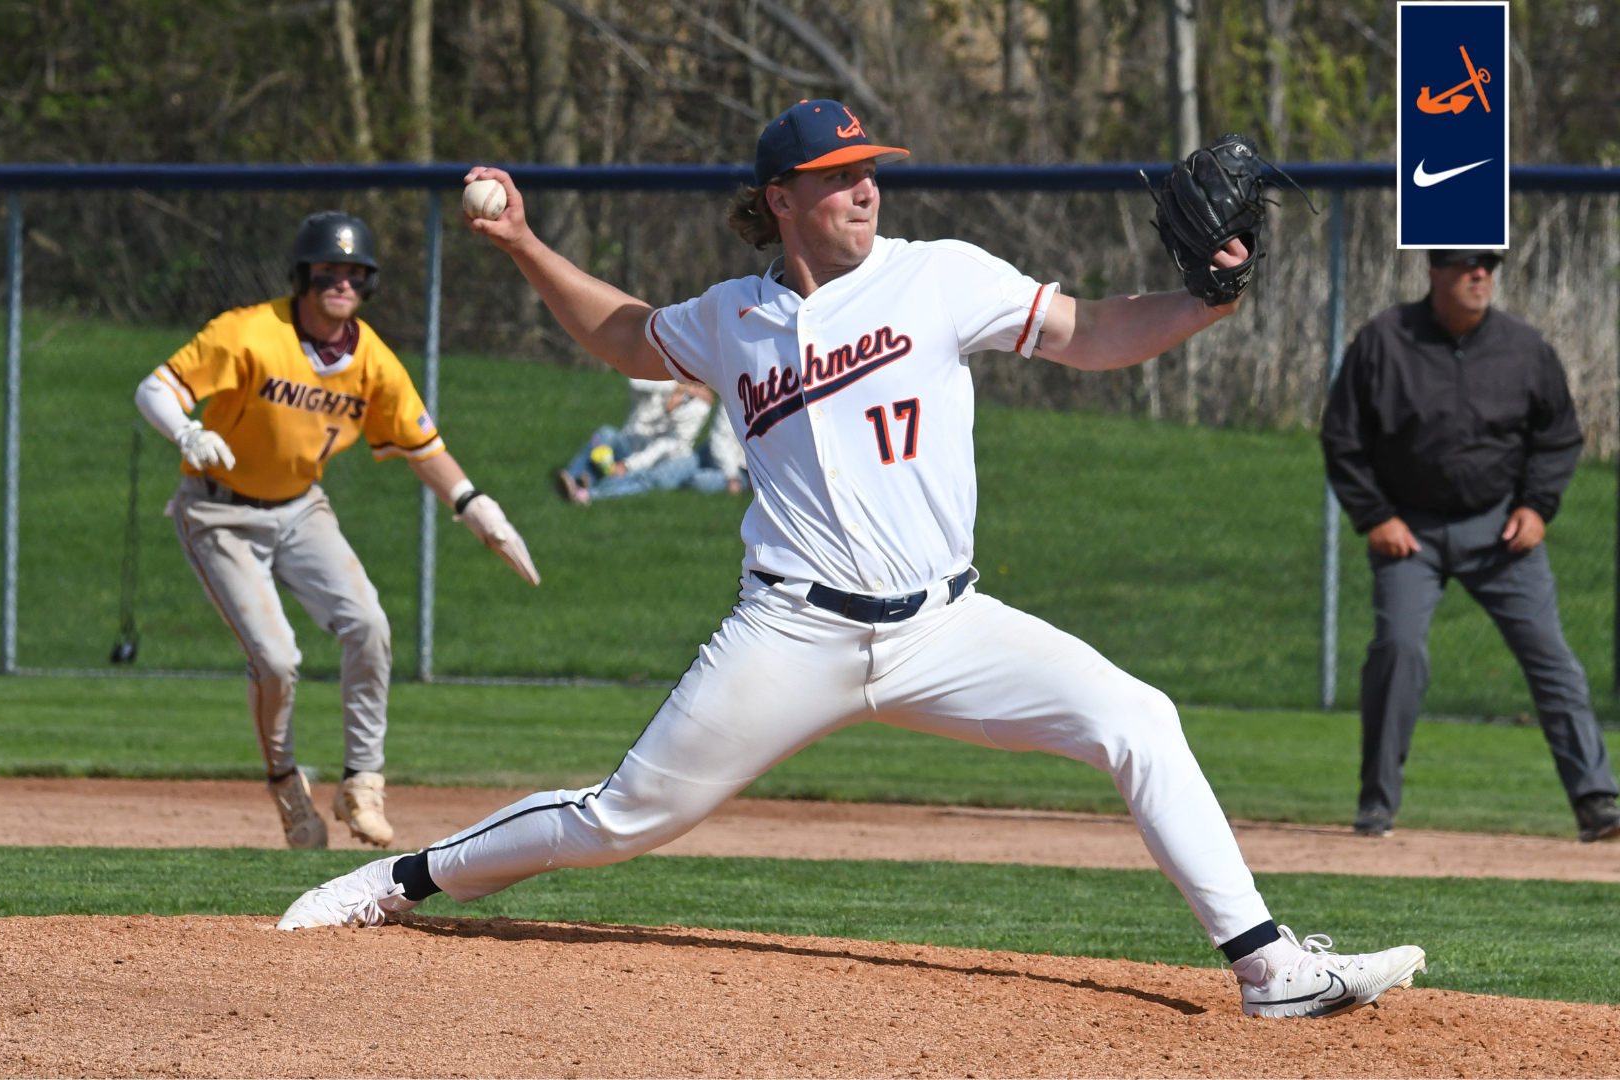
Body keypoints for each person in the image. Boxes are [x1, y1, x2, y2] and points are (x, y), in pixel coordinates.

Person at [278, 101, 1426, 1019]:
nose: (864, 185)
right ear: (783, 199)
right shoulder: (734, 317)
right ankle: (395, 881)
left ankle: (1267, 965)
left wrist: (1207, 299)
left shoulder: (939, 275)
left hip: (946, 627)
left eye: (869, 167)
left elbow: (1091, 333)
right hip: (793, 631)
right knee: (623, 817)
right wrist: (525, 241)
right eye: (837, 174)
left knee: (1139, 718)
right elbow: (622, 333)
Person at [133, 211, 541, 851]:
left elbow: (420, 444)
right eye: (329, 270)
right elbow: (154, 388)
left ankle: (362, 784)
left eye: (355, 273)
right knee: (276, 659)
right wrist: (186, 431)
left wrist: (474, 505)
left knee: (370, 625)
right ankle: (287, 788)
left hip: (299, 507)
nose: (341, 282)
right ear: (303, 276)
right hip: (219, 511)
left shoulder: (372, 358)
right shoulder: (247, 333)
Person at [1321, 248, 1620, 843]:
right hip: (1411, 533)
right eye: (1466, 265)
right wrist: (1375, 515)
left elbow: (1558, 437)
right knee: (1399, 649)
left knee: (1552, 659)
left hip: (1499, 532)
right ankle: (1376, 806)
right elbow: (1342, 436)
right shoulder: (1385, 340)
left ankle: (1597, 803)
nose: (1480, 274)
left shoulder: (1523, 347)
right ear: (1434, 272)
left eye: (1488, 265)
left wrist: (1537, 506)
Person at [556, 377, 712, 504]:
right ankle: (572, 479)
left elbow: (665, 447)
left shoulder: (699, 407)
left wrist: (628, 464)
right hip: (629, 440)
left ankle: (588, 495)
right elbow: (635, 381)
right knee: (605, 434)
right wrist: (676, 387)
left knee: (641, 478)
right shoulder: (661, 380)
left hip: (654, 459)